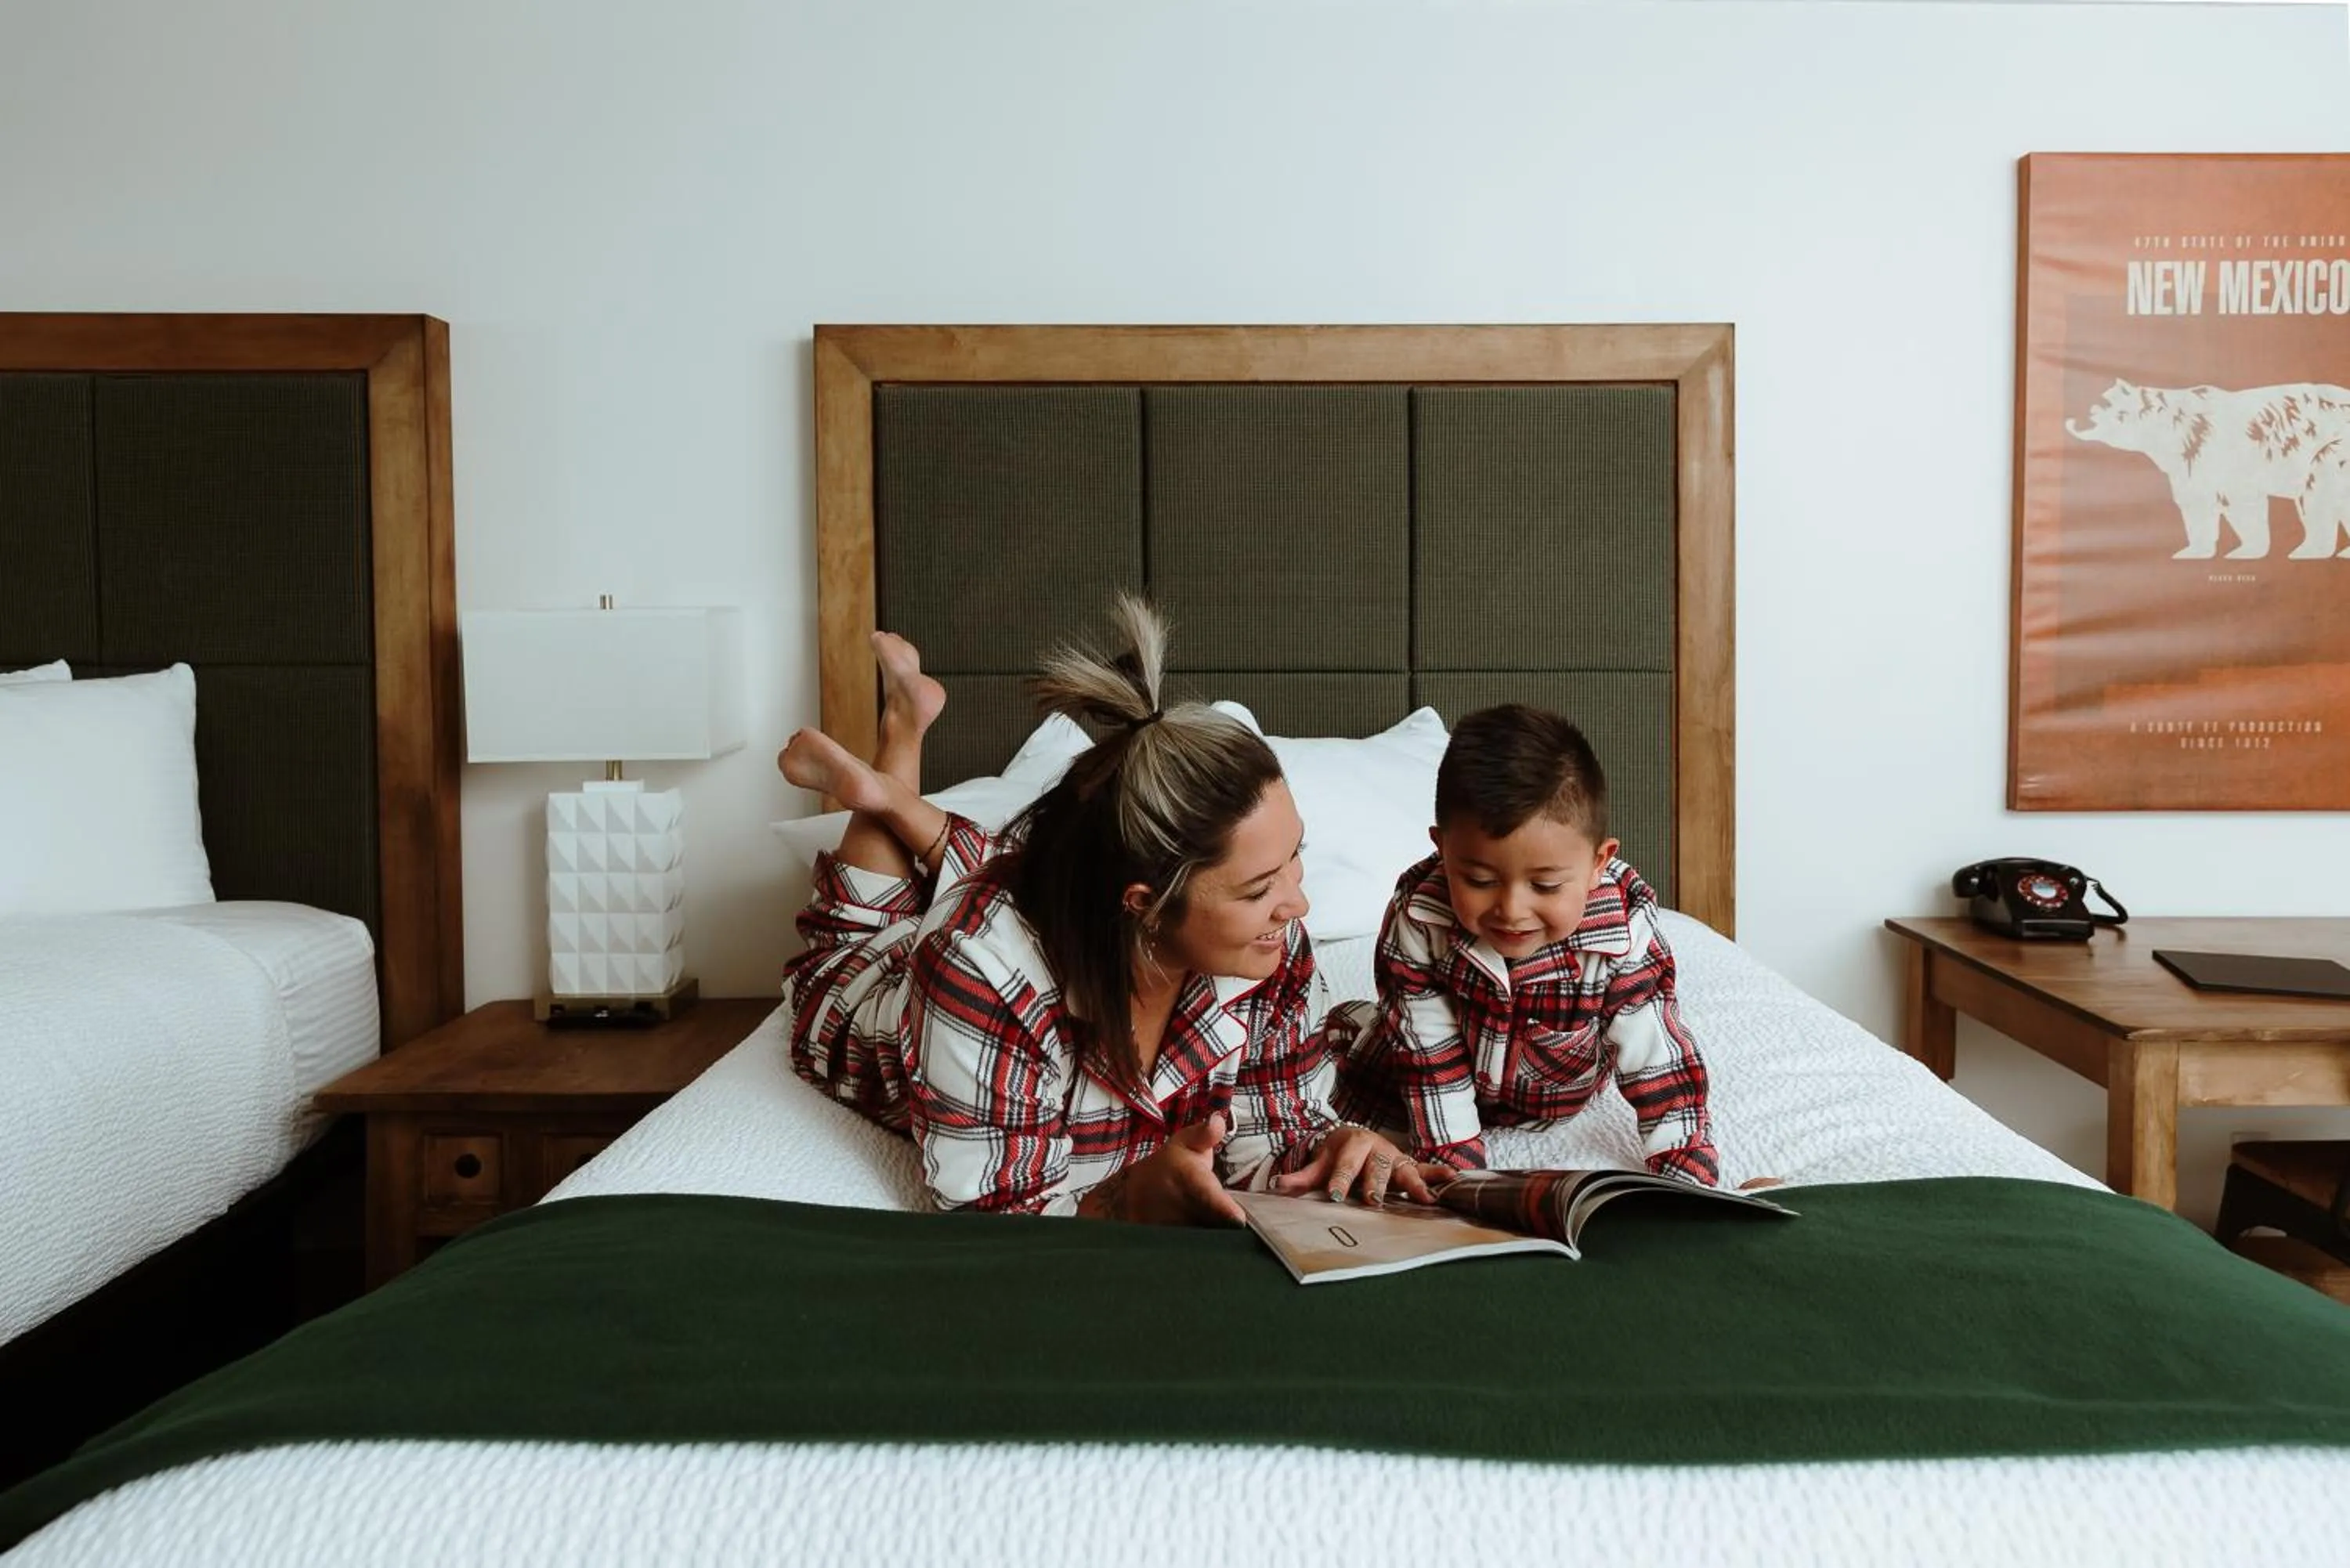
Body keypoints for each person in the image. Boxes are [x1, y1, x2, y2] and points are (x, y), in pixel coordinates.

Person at [777, 595, 1432, 1223]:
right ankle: (895, 748)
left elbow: (1269, 1137)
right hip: (870, 993)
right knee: (860, 926)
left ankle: (897, 793)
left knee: (1000, 864)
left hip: (1059, 902)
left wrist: (1328, 1152)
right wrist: (1130, 1201)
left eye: (1297, 856)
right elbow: (998, 1221)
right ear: (1145, 903)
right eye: (1258, 888)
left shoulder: (1271, 947)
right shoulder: (980, 972)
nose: (1298, 902)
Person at [1327, 703, 1720, 1184]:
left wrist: (1687, 1174)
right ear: (1441, 850)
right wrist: (1458, 1176)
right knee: (1351, 1089)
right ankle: (1344, 1026)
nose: (1511, 910)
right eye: (1478, 879)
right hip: (1418, 1074)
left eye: (1547, 886)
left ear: (1600, 862)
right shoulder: (1419, 919)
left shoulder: (1622, 933)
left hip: (1553, 1093)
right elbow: (1430, 1060)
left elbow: (1657, 1056)